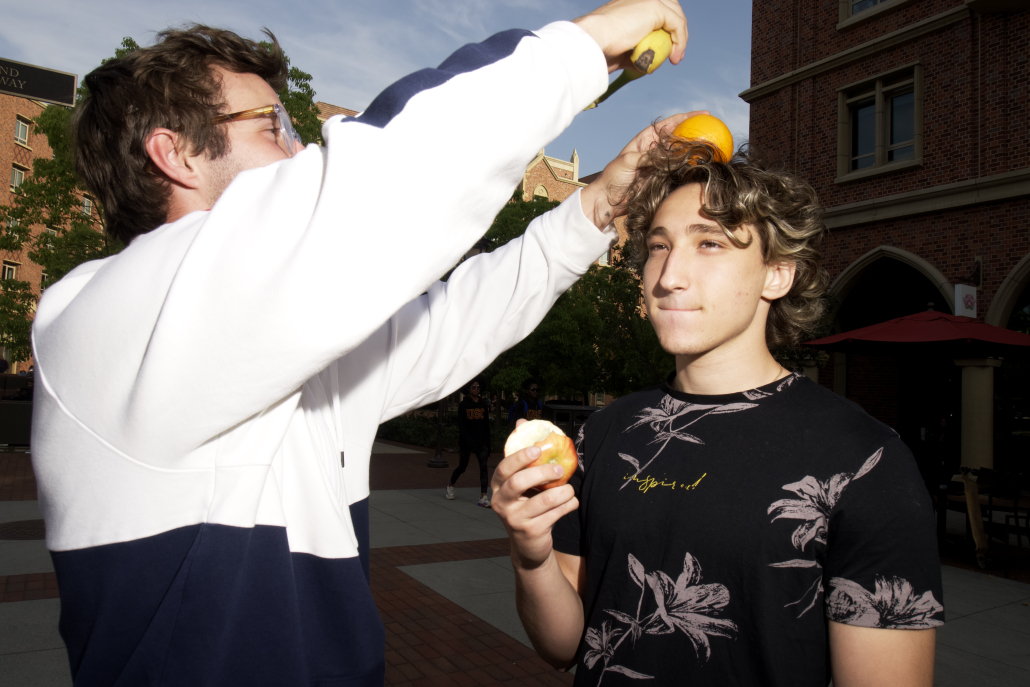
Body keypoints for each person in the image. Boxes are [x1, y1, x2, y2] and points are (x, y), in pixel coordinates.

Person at [29, 1, 694, 684]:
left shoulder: (270, 346)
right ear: (175, 153)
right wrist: (577, 50)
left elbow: (457, 319)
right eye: (272, 124)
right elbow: (380, 181)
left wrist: (596, 208)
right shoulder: (106, 318)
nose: (298, 146)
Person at [491, 140, 944, 686]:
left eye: (710, 244)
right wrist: (531, 555)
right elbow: (563, 646)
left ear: (776, 275)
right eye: (658, 246)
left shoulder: (867, 461)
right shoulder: (606, 431)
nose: (669, 275)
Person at [447, 377, 492, 506]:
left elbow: (486, 425)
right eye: (474, 387)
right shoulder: (463, 405)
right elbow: (462, 426)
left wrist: (488, 444)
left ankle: (483, 497)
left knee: (484, 467)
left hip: (481, 442)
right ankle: (450, 486)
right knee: (462, 467)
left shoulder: (483, 404)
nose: (476, 389)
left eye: (478, 387)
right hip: (467, 443)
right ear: (468, 388)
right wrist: (469, 441)